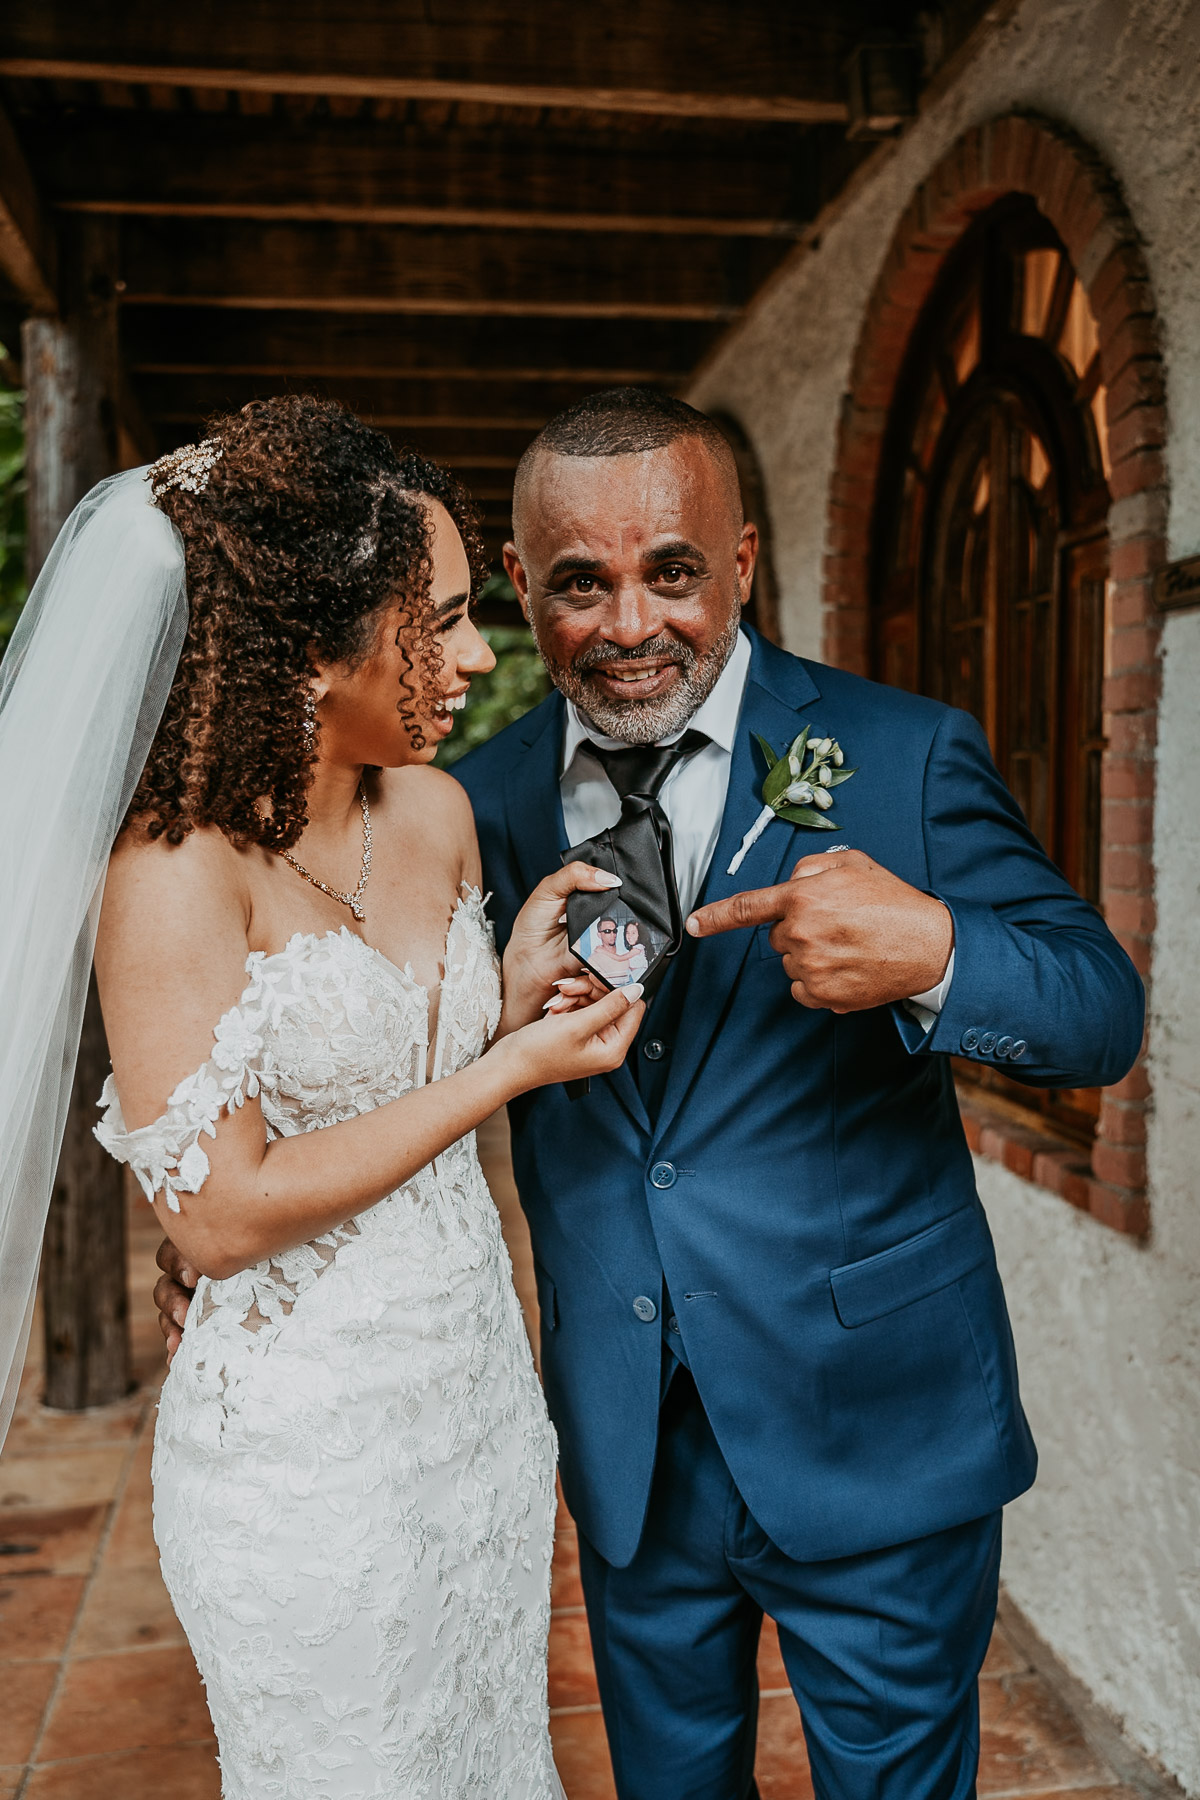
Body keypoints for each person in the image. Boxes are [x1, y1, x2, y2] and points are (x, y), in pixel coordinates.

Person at [156, 386, 1145, 1800]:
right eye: (581, 584)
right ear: (520, 586)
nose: (630, 626)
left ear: (740, 561)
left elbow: (1100, 1013)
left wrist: (936, 949)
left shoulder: (903, 752)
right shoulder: (464, 802)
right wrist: (209, 1214)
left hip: (873, 1425)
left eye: (672, 572)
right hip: (624, 1445)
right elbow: (371, 1038)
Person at [5, 396, 644, 1798]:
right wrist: (506, 1070)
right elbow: (222, 1216)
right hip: (305, 1451)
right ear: (313, 644)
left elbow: (414, 1062)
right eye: (445, 619)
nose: (486, 653)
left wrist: (516, 989)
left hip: (471, 1389)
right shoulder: (170, 875)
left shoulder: (436, 813)